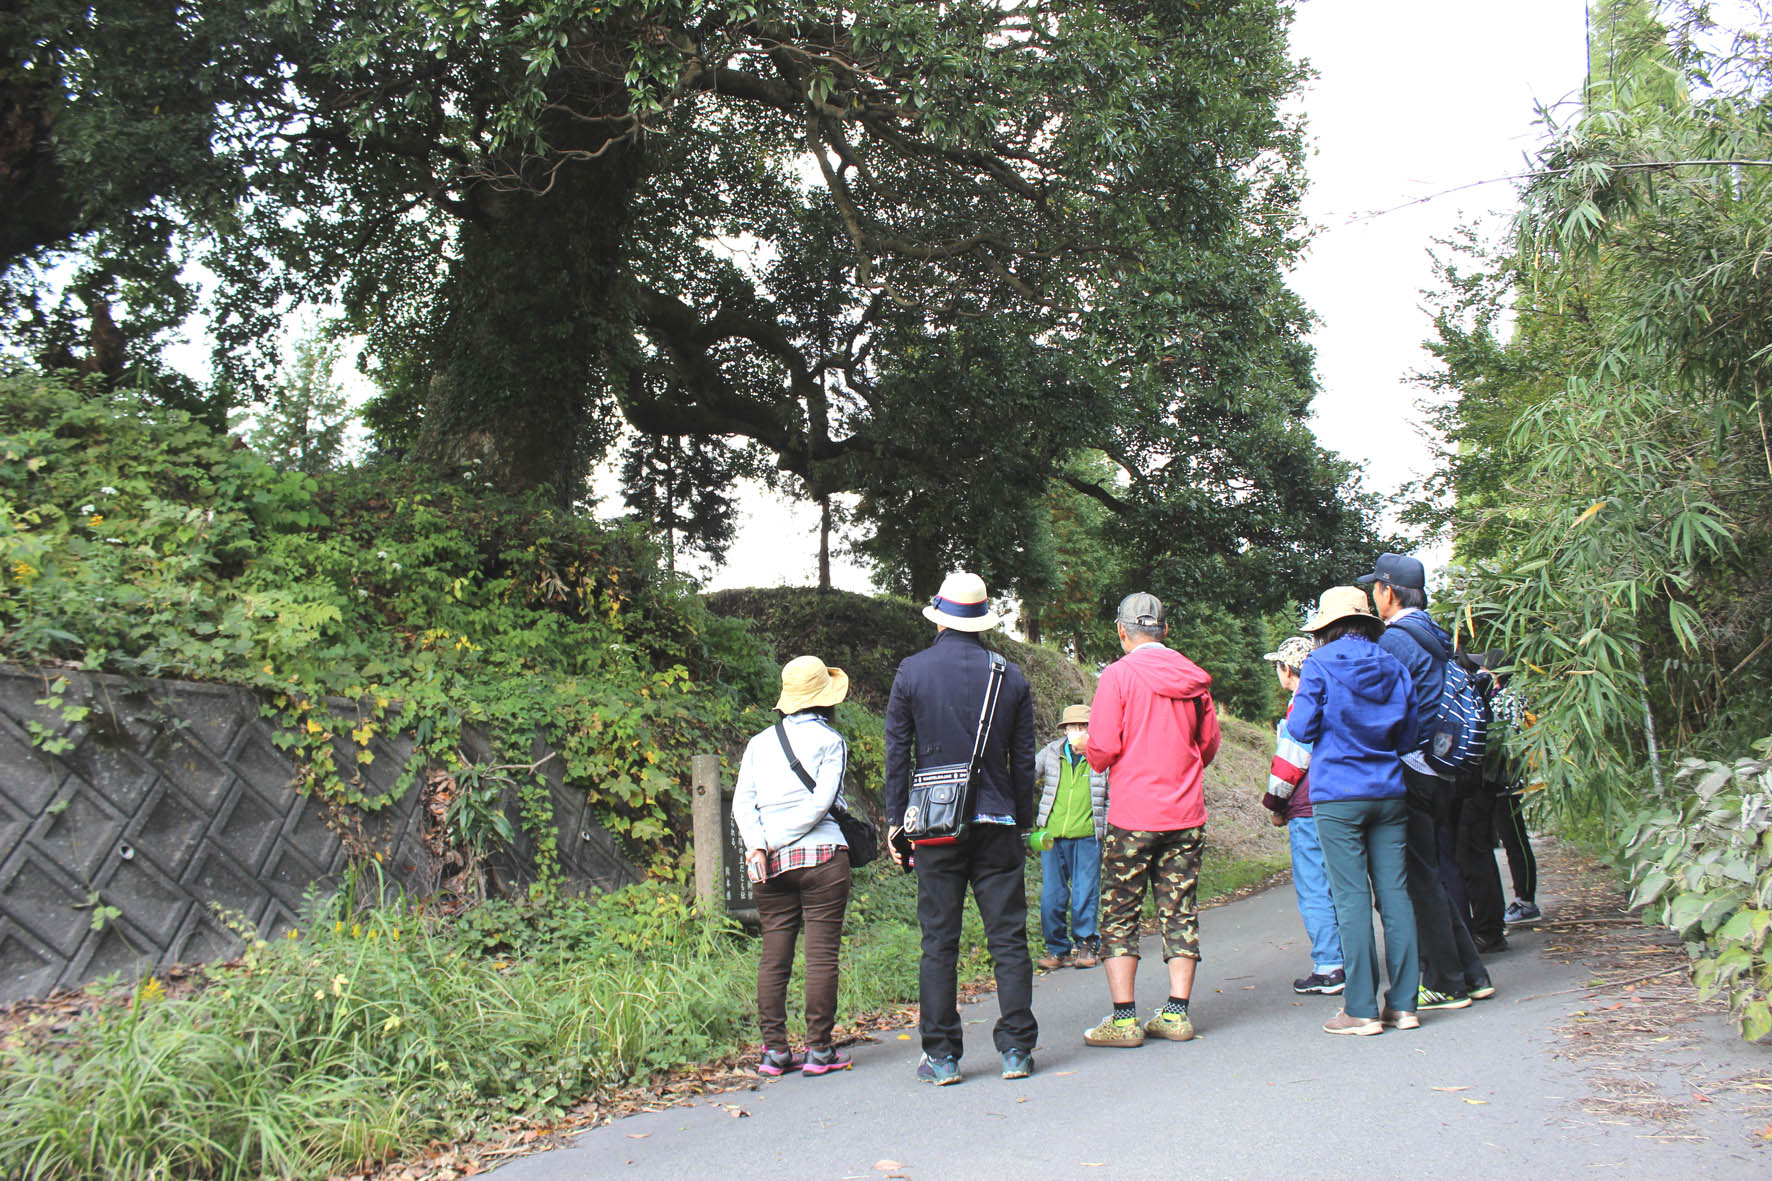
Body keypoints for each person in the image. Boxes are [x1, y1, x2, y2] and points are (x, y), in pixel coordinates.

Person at [885, 571, 1039, 1086]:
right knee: (1008, 938)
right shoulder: (1010, 675)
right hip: (998, 820)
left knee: (939, 940)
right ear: (982, 621)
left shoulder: (912, 671)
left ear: (939, 617)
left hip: (935, 825)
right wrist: (1019, 818)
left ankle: (943, 1056)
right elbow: (1022, 764)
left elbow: (897, 756)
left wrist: (895, 821)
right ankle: (1016, 1050)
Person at [1082, 592, 1221, 1048]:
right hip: (1185, 814)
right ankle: (1177, 1013)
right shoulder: (1193, 679)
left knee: (1119, 911)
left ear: (1122, 631)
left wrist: (1091, 751)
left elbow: (1102, 748)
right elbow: (1208, 746)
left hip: (1132, 816)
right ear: (1165, 630)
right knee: (1179, 908)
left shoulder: (1117, 677)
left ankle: (1124, 1021)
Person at [1359, 553, 1494, 1011]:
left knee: (1418, 880)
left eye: (1375, 589)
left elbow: (1386, 706)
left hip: (1417, 768)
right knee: (1429, 873)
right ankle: (1471, 975)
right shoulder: (1434, 632)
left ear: (1388, 591)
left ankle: (1446, 983)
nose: (1373, 597)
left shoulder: (1397, 639)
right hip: (1446, 767)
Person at [1287, 586, 1421, 1035]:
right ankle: (1403, 1005)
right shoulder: (1394, 664)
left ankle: (1361, 1009)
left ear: (1326, 627)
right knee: (1396, 896)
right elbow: (1409, 736)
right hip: (1389, 791)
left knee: (1350, 898)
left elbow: (1301, 728)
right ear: (1367, 622)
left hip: (1338, 796)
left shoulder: (1319, 664)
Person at [733, 655, 857, 1077]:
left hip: (769, 866)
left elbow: (741, 803)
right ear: (825, 699)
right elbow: (822, 802)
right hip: (822, 857)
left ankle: (774, 1052)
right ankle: (819, 1050)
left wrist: (758, 847)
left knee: (774, 956)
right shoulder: (831, 741)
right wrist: (782, 839)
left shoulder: (758, 743)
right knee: (821, 957)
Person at [1260, 635, 1346, 996]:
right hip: (1342, 802)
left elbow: (1291, 762)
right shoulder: (1337, 696)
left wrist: (1275, 804)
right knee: (1344, 883)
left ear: (1286, 670)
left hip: (1308, 805)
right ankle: (1354, 956)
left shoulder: (1302, 704)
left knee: (1315, 886)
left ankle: (1329, 965)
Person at [1033, 704, 1110, 971]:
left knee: (1084, 892)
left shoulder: (1101, 756)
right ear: (1064, 729)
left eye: (1083, 726)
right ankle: (1057, 949)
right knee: (1051, 896)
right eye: (1072, 727)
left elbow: (1115, 792)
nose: (1077, 732)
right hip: (1052, 836)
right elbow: (1027, 774)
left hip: (1089, 835)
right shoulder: (1052, 752)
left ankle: (1087, 944)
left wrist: (1108, 827)